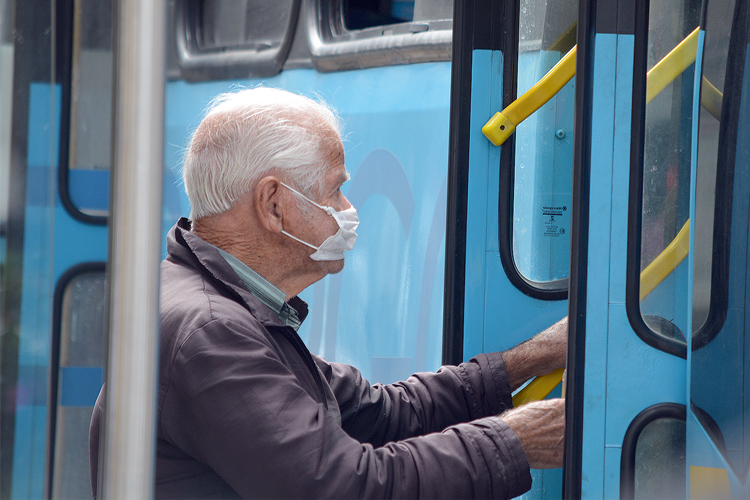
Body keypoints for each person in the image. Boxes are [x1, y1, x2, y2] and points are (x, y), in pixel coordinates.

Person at [89, 87, 567, 499]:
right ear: (274, 205)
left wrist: (536, 356)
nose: (348, 209)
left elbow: (378, 413)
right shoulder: (211, 331)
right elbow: (345, 488)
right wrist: (515, 441)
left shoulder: (218, 304)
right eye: (335, 191)